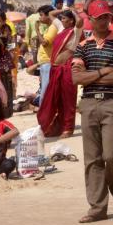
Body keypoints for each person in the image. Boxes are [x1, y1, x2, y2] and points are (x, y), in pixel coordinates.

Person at [71, 0, 113, 223]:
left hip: (111, 103)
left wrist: (92, 73)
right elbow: (76, 78)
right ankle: (97, 208)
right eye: (101, 18)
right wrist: (104, 71)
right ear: (93, 20)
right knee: (92, 159)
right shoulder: (83, 46)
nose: (106, 20)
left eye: (108, 16)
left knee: (111, 156)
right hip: (88, 104)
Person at [37, 9, 83, 138]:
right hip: (55, 68)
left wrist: (73, 11)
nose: (61, 20)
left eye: (64, 18)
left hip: (67, 68)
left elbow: (80, 21)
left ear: (71, 20)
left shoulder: (75, 31)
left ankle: (68, 128)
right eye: (61, 18)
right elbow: (51, 14)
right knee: (53, 98)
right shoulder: (61, 29)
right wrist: (65, 9)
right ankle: (55, 126)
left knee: (68, 99)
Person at [35, 5, 62, 105]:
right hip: (45, 62)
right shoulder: (49, 28)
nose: (40, 18)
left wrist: (37, 30)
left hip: (48, 62)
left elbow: (45, 43)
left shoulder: (53, 27)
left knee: (45, 92)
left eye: (41, 15)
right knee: (44, 89)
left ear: (48, 16)